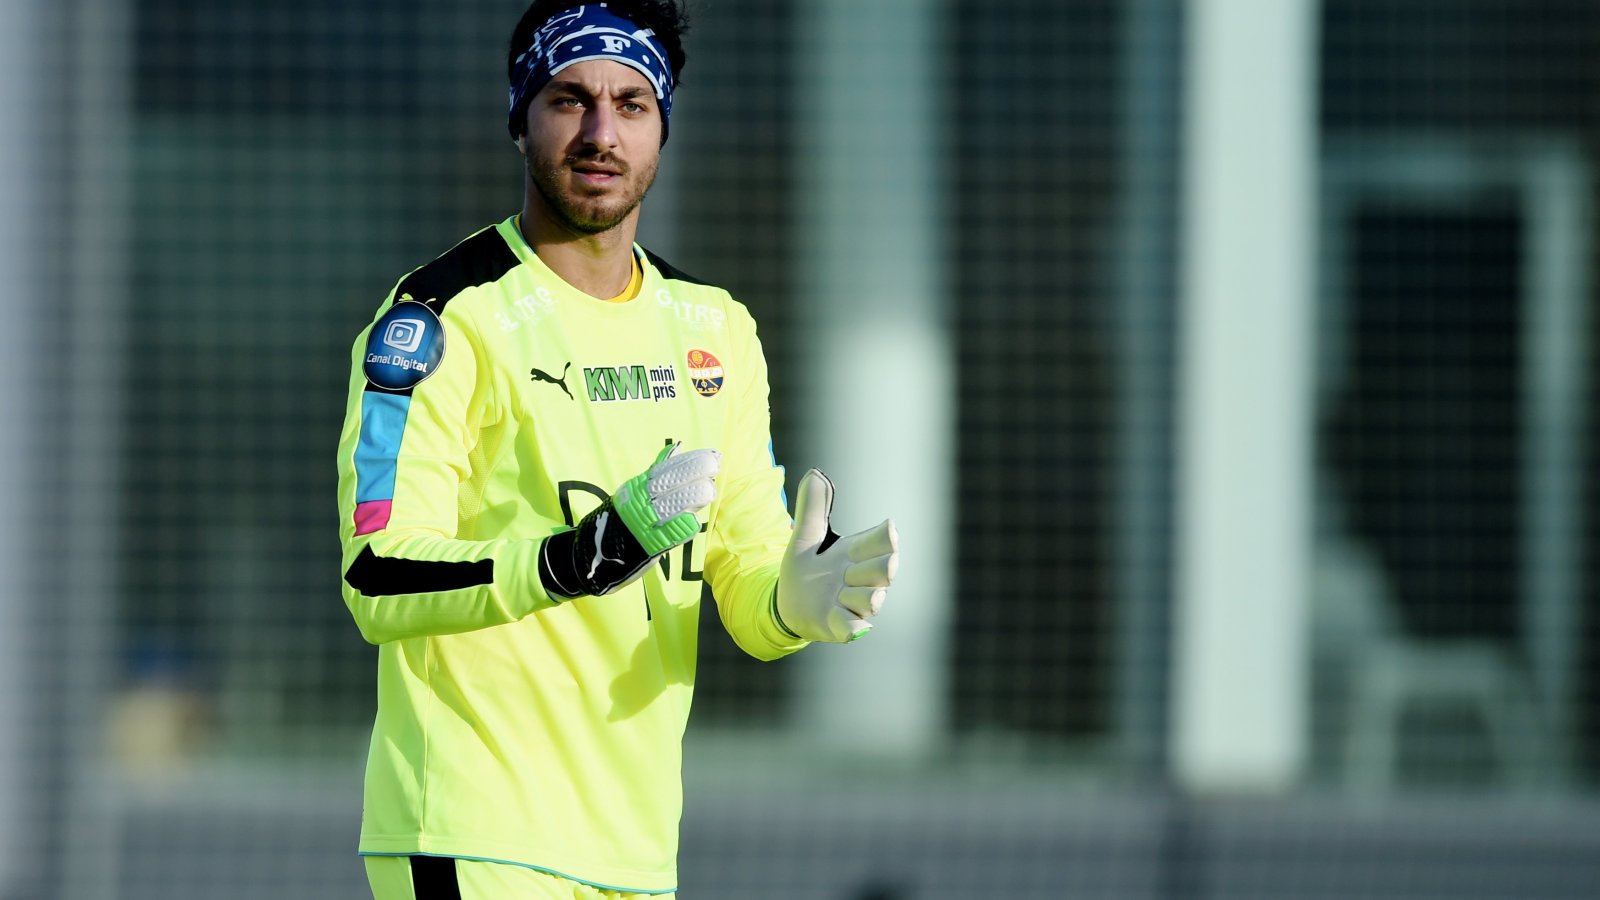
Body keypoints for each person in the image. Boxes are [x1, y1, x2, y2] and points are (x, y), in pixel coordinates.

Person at [335, 2, 900, 897]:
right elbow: (376, 575)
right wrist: (569, 561)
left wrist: (793, 605)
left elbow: (746, 583)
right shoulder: (442, 317)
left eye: (632, 105)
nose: (601, 134)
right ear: (521, 117)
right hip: (470, 833)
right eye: (570, 99)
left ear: (662, 127)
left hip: (635, 854)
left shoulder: (717, 328)